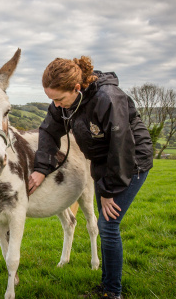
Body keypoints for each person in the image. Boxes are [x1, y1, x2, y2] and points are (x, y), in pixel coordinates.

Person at [27, 56, 153, 299]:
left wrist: (108, 191)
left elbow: (121, 147)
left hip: (131, 161)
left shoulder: (107, 99)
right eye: (51, 99)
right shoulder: (64, 104)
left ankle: (112, 292)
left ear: (77, 88)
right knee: (106, 225)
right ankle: (107, 286)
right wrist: (41, 169)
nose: (56, 105)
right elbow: (48, 132)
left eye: (60, 99)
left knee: (107, 225)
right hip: (103, 162)